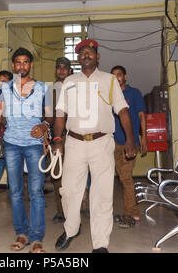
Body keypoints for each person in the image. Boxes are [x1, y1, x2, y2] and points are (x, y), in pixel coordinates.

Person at [52, 39, 137, 253]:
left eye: (90, 52)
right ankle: (71, 230)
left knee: (102, 194)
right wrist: (57, 140)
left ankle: (100, 243)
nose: (85, 55)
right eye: (81, 53)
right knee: (69, 191)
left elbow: (123, 111)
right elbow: (61, 113)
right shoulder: (69, 81)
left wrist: (130, 139)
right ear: (78, 58)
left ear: (97, 57)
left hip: (101, 143)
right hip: (74, 143)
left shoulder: (110, 80)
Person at [0, 47, 52, 253]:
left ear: (30, 65)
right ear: (13, 66)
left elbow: (49, 116)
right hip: (12, 144)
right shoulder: (4, 89)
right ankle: (22, 234)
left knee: (35, 192)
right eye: (18, 63)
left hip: (34, 145)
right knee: (15, 192)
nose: (21, 66)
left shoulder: (43, 88)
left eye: (25, 62)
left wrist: (44, 126)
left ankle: (37, 237)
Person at [111, 65, 147, 228]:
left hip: (129, 144)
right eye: (113, 76)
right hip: (113, 143)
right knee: (122, 177)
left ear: (125, 77)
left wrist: (144, 137)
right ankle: (130, 211)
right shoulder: (110, 95)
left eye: (119, 75)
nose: (116, 78)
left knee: (126, 177)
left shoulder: (134, 93)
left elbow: (141, 115)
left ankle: (131, 213)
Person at [51, 57, 72, 224]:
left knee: (74, 175)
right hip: (56, 138)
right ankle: (61, 211)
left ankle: (78, 209)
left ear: (70, 70)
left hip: (73, 137)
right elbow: (47, 115)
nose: (62, 70)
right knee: (57, 176)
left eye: (65, 67)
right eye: (59, 67)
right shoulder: (51, 90)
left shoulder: (76, 88)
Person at [0, 71, 13, 187]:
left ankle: (14, 201)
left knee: (13, 175)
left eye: (4, 82)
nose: (1, 85)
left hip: (12, 142)